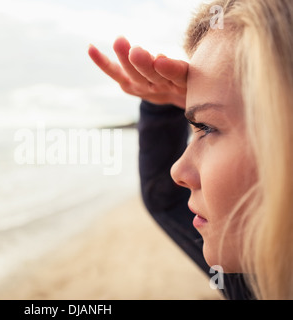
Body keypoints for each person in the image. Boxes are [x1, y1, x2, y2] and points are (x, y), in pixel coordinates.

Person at [88, 0, 293, 300]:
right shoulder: (259, 280)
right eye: (195, 127)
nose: (177, 172)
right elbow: (164, 198)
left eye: (207, 128)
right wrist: (161, 106)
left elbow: (164, 199)